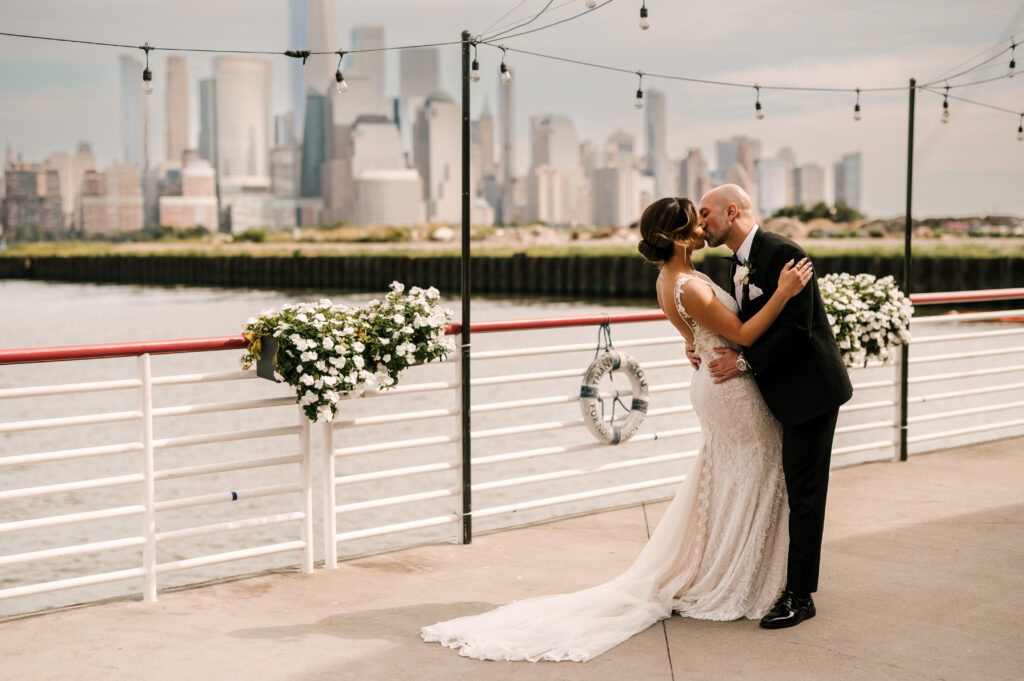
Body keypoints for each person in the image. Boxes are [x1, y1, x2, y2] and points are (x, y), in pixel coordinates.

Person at [420, 196, 813, 661]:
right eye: (697, 220)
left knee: (734, 481)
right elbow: (743, 335)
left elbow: (697, 338)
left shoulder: (670, 281)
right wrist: (784, 294)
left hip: (714, 383)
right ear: (683, 236)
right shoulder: (689, 284)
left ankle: (731, 565)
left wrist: (700, 347)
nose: (705, 226)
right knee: (756, 476)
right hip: (732, 393)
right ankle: (734, 575)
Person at [691, 184, 853, 629]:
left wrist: (742, 362)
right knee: (786, 489)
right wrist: (703, 345)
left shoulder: (785, 253)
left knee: (804, 493)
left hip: (810, 392)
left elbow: (797, 329)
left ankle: (800, 596)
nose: (700, 223)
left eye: (705, 214)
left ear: (731, 210)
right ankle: (773, 578)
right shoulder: (734, 264)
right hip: (774, 392)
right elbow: (746, 324)